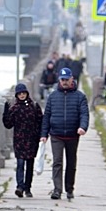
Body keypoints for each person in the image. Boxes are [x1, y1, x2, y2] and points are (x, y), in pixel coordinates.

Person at [40, 67, 89, 201]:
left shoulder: (80, 97)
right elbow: (47, 116)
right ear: (59, 80)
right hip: (56, 134)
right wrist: (43, 134)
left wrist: (83, 127)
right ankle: (57, 190)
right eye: (62, 80)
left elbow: (84, 114)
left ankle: (69, 188)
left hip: (73, 135)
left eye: (67, 79)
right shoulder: (53, 96)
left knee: (71, 163)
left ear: (72, 79)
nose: (64, 82)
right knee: (57, 162)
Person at [2, 83, 43, 198]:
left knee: (30, 165)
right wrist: (5, 113)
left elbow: (40, 121)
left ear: (27, 93)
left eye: (23, 93)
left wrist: (42, 135)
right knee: (20, 164)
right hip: (19, 140)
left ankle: (28, 188)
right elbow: (8, 125)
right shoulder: (14, 108)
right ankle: (20, 187)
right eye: (19, 93)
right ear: (17, 95)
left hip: (32, 140)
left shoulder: (34, 106)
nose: (22, 95)